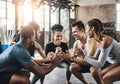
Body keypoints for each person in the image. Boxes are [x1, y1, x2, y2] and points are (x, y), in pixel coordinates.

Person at [0, 25, 64, 84]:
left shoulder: (19, 47)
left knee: (26, 73)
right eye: (34, 35)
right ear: (31, 36)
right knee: (24, 80)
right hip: (1, 74)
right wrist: (55, 64)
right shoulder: (21, 51)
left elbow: (39, 65)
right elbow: (41, 72)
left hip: (5, 71)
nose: (35, 38)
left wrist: (51, 63)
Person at [84, 19, 120, 84]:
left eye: (86, 29)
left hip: (117, 62)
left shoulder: (105, 40)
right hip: (116, 62)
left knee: (106, 78)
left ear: (92, 28)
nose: (85, 32)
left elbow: (100, 64)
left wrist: (84, 57)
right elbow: (96, 57)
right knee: (100, 74)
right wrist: (82, 57)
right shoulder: (98, 41)